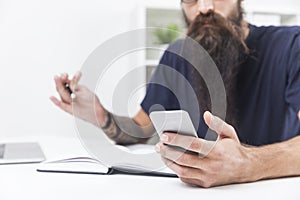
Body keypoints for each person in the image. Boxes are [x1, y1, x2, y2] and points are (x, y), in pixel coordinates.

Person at [50, 0, 300, 188]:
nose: (204, 7)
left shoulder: (291, 46)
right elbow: (140, 129)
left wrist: (248, 163)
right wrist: (100, 114)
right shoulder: (176, 55)